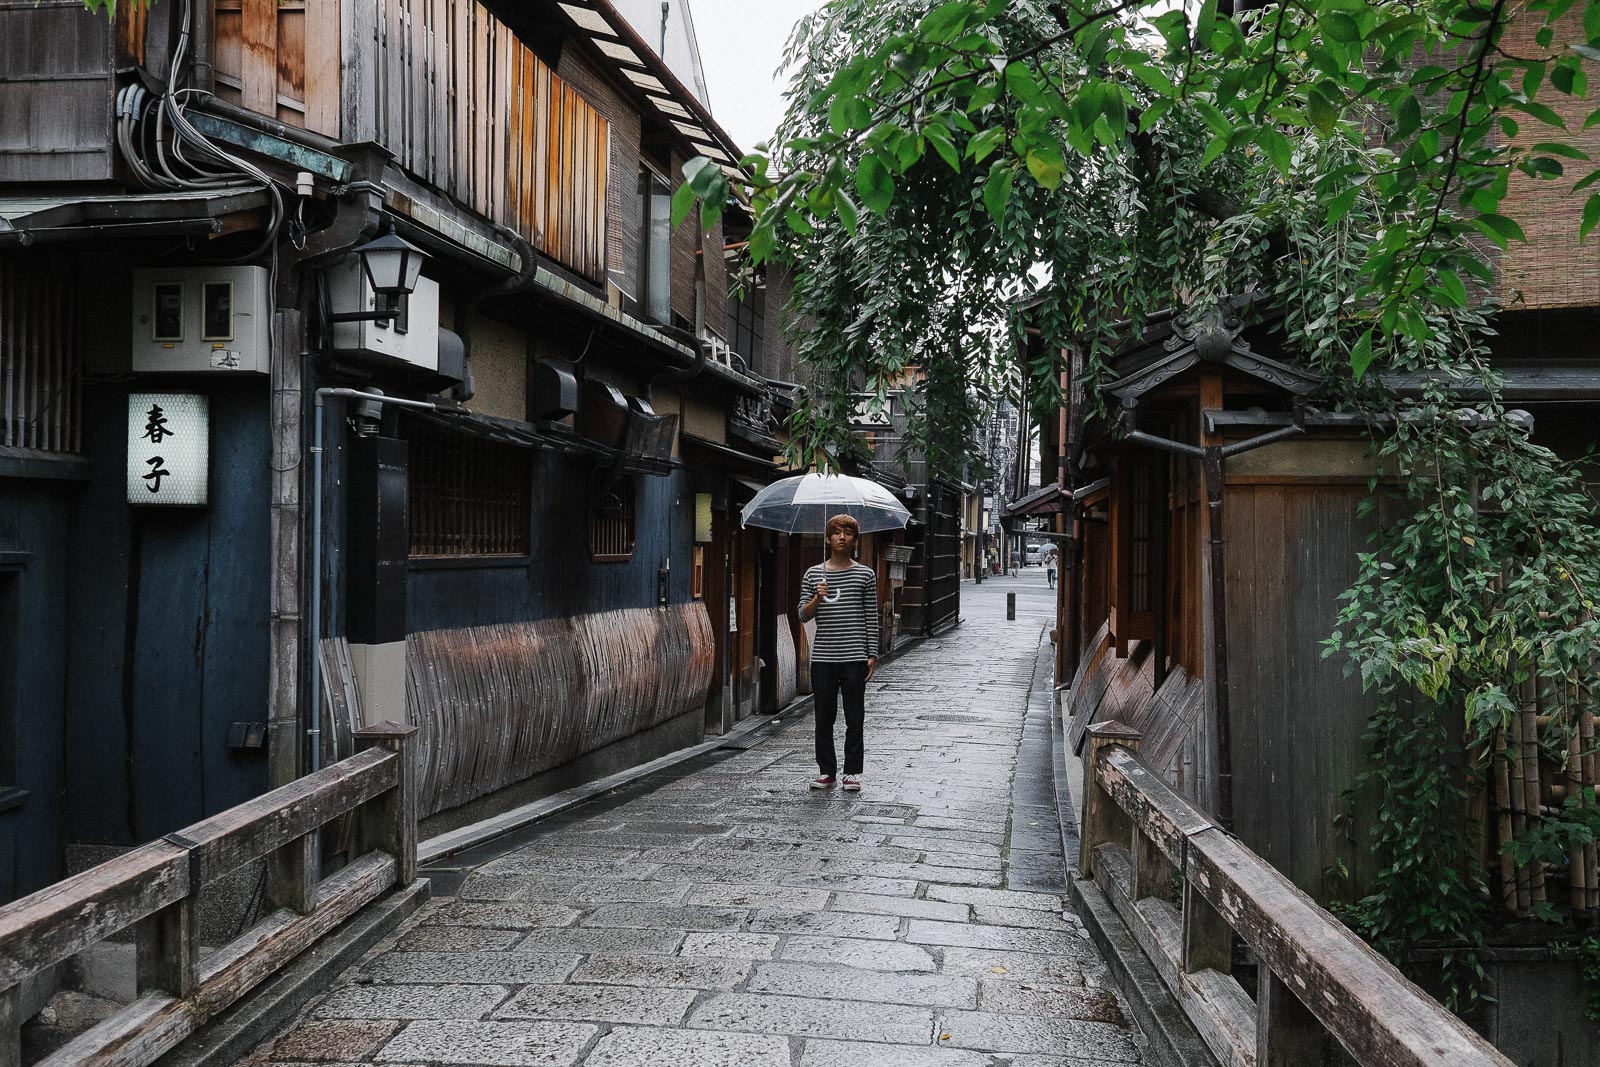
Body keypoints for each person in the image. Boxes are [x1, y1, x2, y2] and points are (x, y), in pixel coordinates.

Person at [798, 513, 878, 793]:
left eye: (847, 533)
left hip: (855, 655)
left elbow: (871, 615)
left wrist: (873, 653)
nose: (841, 537)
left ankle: (852, 772)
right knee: (824, 717)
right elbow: (802, 616)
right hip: (823, 658)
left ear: (855, 539)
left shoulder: (865, 574)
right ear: (828, 538)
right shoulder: (813, 574)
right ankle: (827, 771)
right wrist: (817, 597)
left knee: (855, 717)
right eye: (836, 532)